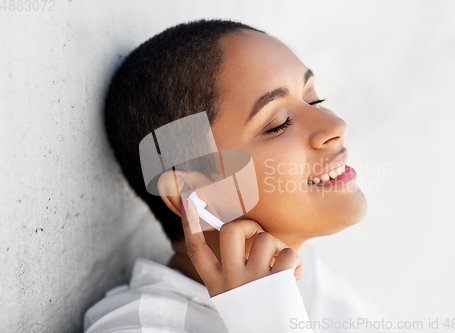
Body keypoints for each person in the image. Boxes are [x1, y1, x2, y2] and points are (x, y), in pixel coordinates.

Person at [84, 18, 392, 333]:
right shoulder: (135, 327)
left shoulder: (301, 272)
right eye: (278, 122)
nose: (335, 125)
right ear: (192, 192)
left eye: (314, 100)